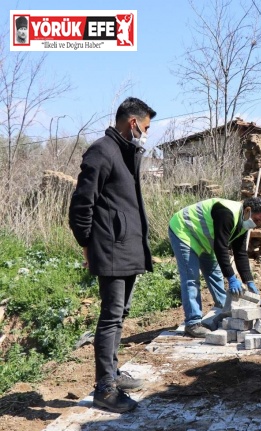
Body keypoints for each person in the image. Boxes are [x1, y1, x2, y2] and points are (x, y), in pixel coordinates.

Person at [69, 97, 157, 413]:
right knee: (111, 316)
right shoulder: (102, 151)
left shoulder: (125, 152)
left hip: (127, 247)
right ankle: (105, 389)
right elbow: (82, 204)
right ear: (132, 123)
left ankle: (113, 374)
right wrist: (87, 244)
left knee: (120, 314)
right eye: (145, 127)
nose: (147, 133)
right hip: (110, 248)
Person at [169, 196, 261, 338]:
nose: (256, 224)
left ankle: (224, 310)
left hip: (203, 240)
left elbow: (240, 253)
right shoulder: (227, 213)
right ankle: (193, 324)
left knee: (214, 273)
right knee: (191, 277)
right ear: (248, 210)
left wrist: (249, 280)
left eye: (260, 222)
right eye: (257, 219)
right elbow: (221, 247)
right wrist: (231, 277)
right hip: (184, 230)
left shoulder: (242, 224)